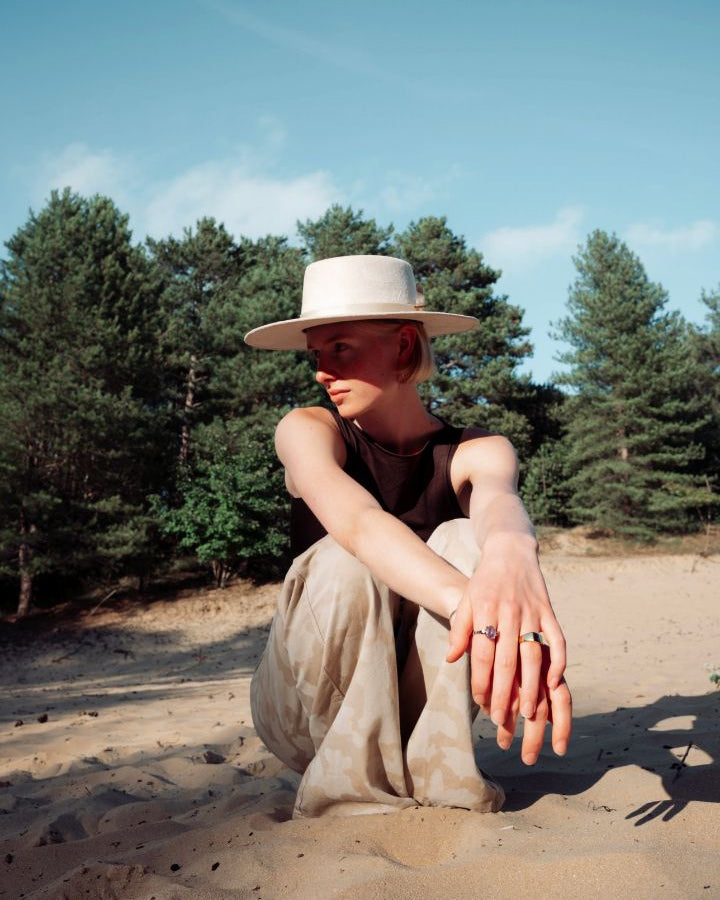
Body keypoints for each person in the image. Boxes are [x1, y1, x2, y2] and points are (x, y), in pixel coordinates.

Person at [244, 254, 572, 818]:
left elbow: (499, 505)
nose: (322, 372)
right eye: (316, 354)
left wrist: (513, 553)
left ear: (402, 346)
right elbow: (360, 524)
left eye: (340, 348)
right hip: (302, 712)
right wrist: (489, 621)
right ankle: (348, 790)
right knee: (345, 558)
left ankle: (441, 778)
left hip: (415, 709)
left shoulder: (477, 448)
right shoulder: (307, 430)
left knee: (469, 541)